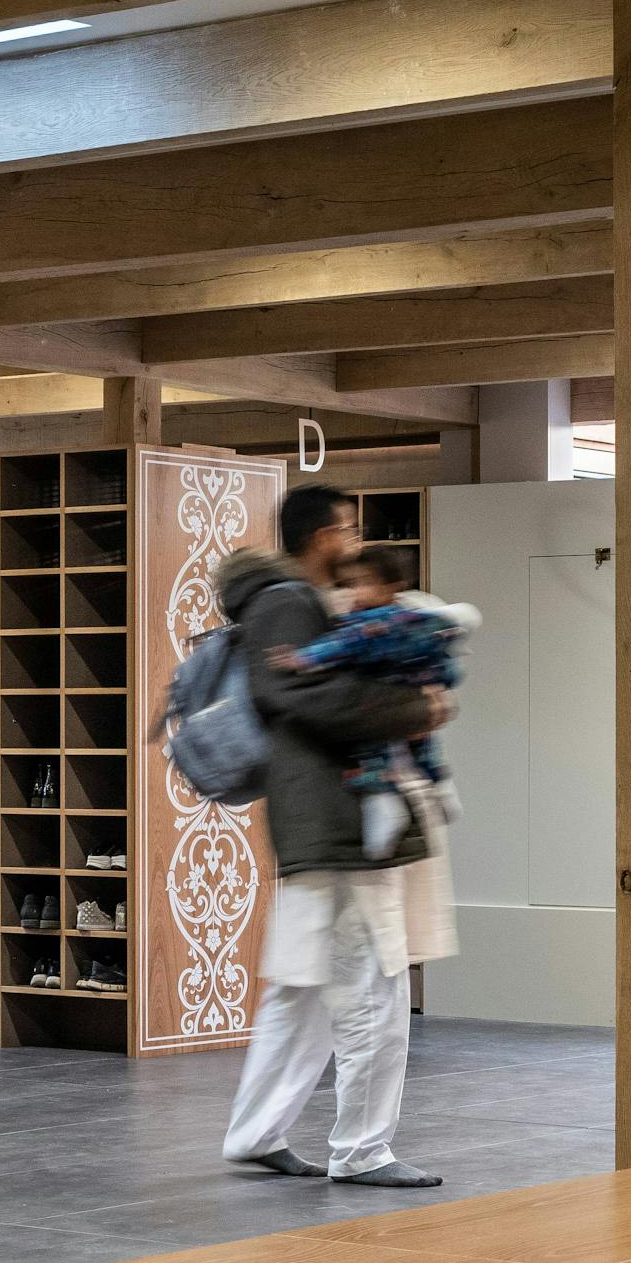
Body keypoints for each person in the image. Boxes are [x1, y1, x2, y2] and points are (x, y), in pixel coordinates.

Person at [216, 483, 452, 1187]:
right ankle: (363, 1150)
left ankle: (255, 1133)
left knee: (301, 988)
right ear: (324, 536)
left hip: (316, 820)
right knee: (371, 985)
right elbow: (302, 696)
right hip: (337, 821)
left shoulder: (297, 604)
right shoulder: (288, 604)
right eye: (348, 530)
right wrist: (417, 706)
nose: (355, 541)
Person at [274, 538, 475, 858]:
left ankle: (386, 806)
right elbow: (449, 645)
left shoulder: (371, 625)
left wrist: (302, 659)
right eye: (352, 584)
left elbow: (339, 646)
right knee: (423, 752)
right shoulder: (416, 617)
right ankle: (441, 788)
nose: (356, 592)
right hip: (416, 700)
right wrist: (441, 682)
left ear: (391, 587)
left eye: (364, 584)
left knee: (375, 755)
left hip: (387, 705)